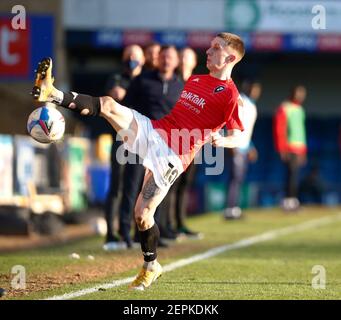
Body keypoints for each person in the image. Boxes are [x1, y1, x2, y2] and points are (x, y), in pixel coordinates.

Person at [31, 32, 245, 291]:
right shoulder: (196, 79)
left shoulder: (231, 96)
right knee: (109, 105)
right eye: (210, 47)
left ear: (231, 57)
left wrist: (222, 141)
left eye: (216, 48)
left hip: (173, 156)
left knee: (142, 215)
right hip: (154, 131)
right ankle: (52, 93)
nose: (208, 52)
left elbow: (237, 136)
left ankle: (151, 265)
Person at [117, 45, 183, 247]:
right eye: (163, 57)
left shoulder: (182, 86)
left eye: (170, 57)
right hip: (140, 138)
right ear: (157, 59)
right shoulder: (142, 80)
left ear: (176, 62)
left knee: (156, 188)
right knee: (132, 186)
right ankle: (125, 233)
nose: (165, 61)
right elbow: (126, 106)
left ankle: (152, 233)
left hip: (165, 145)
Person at [104, 44, 145, 250]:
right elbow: (114, 95)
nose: (132, 59)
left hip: (139, 140)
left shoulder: (145, 80)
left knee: (134, 187)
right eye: (128, 55)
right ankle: (111, 235)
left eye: (136, 56)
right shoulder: (117, 78)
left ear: (143, 59)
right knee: (117, 186)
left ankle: (128, 233)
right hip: (121, 138)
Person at [166, 47, 201, 237]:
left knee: (186, 183)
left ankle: (180, 223)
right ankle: (168, 225)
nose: (183, 59)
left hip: (193, 141)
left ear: (194, 62)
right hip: (174, 139)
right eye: (181, 56)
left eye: (187, 56)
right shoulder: (174, 81)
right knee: (172, 182)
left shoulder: (198, 83)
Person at [224, 80, 261, 219]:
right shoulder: (241, 102)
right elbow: (230, 120)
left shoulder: (252, 105)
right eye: (253, 88)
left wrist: (251, 146)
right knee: (234, 177)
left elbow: (246, 129)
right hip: (237, 145)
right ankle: (229, 209)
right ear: (247, 87)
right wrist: (230, 142)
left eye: (257, 89)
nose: (255, 92)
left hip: (245, 146)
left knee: (239, 178)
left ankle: (235, 208)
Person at [273, 85, 307, 211]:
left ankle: (293, 199)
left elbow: (301, 132)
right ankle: (288, 201)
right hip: (289, 147)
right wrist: (282, 148)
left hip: (299, 148)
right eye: (299, 93)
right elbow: (279, 129)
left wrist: (303, 151)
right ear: (293, 93)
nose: (301, 96)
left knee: (295, 175)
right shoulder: (285, 108)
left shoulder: (300, 110)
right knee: (290, 175)